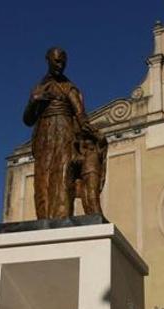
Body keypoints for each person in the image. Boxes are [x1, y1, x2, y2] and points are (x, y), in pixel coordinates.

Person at [23, 47, 102, 219]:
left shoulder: (69, 88)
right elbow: (28, 120)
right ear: (48, 60)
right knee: (42, 179)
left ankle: (61, 218)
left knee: (62, 177)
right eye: (57, 61)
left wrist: (94, 135)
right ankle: (43, 219)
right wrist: (33, 101)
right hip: (43, 136)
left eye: (63, 62)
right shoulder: (39, 89)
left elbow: (81, 115)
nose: (60, 65)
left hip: (64, 134)